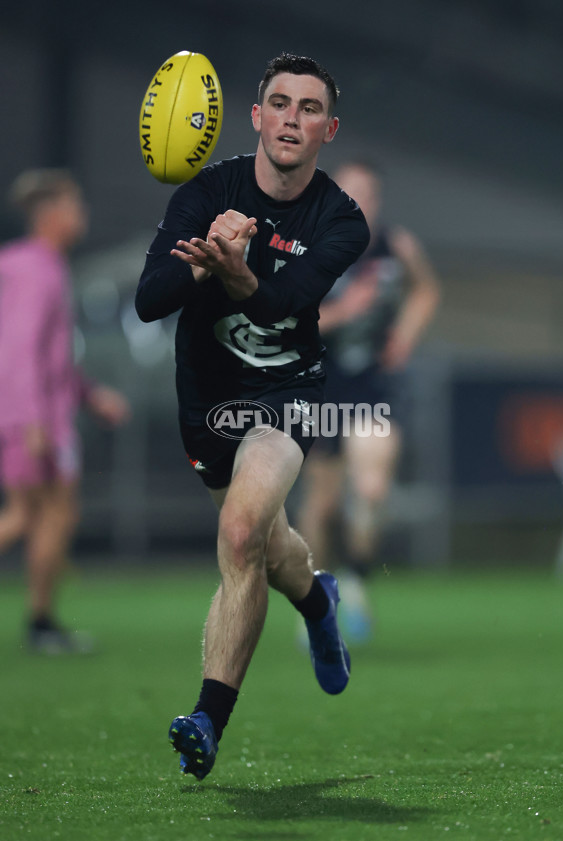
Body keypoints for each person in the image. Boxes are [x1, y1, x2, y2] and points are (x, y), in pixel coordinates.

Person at [136, 53, 370, 780]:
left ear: (328, 128)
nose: (291, 118)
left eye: (308, 109)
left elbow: (279, 303)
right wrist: (205, 261)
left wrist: (236, 270)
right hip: (206, 400)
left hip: (284, 393)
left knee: (239, 532)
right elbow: (150, 296)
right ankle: (316, 598)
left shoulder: (340, 218)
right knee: (268, 550)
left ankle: (207, 717)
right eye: (279, 103)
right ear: (255, 116)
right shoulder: (209, 190)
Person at [297, 161, 441, 641]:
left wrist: (405, 335)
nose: (361, 204)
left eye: (370, 194)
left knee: (373, 489)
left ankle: (356, 581)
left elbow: (425, 290)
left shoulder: (395, 246)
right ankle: (317, 597)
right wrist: (344, 311)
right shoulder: (311, 248)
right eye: (350, 193)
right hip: (321, 384)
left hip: (374, 386)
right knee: (322, 504)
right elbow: (289, 321)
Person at [0, 169, 131, 653]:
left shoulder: (44, 266)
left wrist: (90, 395)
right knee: (26, 515)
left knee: (53, 515)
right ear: (51, 214)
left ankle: (42, 623)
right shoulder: (36, 270)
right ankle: (40, 623)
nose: (83, 216)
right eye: (75, 206)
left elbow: (51, 355)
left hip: (42, 414)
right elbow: (18, 350)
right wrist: (31, 418)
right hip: (33, 419)